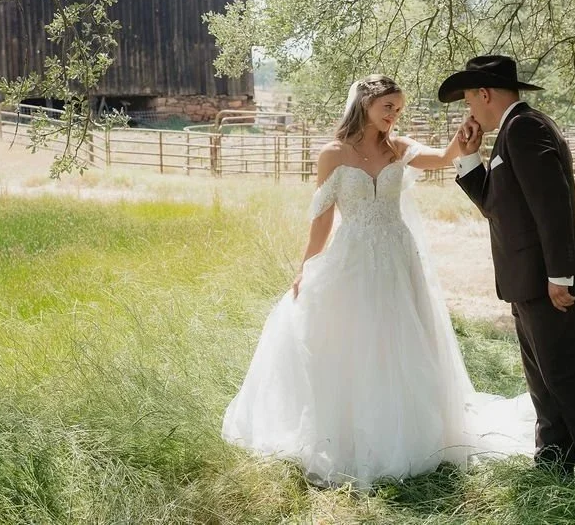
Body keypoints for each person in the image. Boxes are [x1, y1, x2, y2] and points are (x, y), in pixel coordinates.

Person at [222, 74, 533, 489]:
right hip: (351, 258)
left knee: (399, 339)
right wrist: (305, 266)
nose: (394, 115)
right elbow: (322, 218)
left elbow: (443, 157)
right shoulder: (333, 154)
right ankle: (349, 433)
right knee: (352, 341)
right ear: (365, 104)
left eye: (399, 109)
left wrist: (465, 137)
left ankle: (406, 430)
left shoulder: (399, 148)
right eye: (388, 107)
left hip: (396, 257)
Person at [438, 55, 575, 481]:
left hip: (554, 280)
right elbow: (497, 207)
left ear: (484, 94)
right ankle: (553, 465)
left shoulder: (525, 127)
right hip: (527, 282)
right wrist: (470, 159)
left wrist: (560, 275)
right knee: (545, 382)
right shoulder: (508, 134)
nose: (468, 112)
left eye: (469, 101)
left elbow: (552, 203)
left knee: (568, 377)